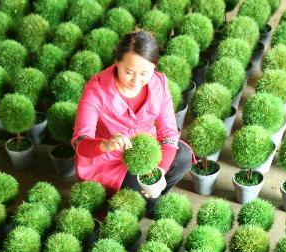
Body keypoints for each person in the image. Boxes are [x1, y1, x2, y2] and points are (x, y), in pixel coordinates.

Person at [71, 29, 194, 204]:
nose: (136, 81)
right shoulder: (96, 90)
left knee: (182, 157)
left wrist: (159, 172)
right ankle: (144, 203)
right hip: (109, 161)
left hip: (145, 153)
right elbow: (80, 143)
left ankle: (151, 200)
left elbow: (168, 135)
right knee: (136, 201)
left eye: (144, 73)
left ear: (154, 66)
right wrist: (106, 144)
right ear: (117, 62)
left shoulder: (159, 83)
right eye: (129, 72)